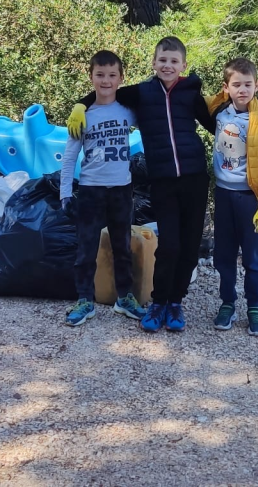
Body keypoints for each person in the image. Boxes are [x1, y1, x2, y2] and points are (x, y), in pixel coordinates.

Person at [68, 36, 214, 333]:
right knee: (169, 245)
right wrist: (79, 105)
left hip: (195, 178)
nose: (168, 65)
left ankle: (176, 302)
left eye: (174, 61)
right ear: (154, 63)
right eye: (162, 60)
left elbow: (216, 124)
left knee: (188, 248)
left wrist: (248, 114)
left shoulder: (191, 92)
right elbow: (107, 92)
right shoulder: (142, 93)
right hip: (161, 180)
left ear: (184, 65)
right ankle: (158, 302)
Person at [60, 50, 146, 326]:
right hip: (90, 191)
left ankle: (124, 297)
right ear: (91, 77)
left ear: (121, 78)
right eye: (100, 75)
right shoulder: (83, 115)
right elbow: (70, 156)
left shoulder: (127, 111)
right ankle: (85, 299)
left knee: (122, 246)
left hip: (121, 190)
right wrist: (64, 193)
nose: (106, 81)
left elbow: (152, 118)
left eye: (112, 75)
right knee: (86, 248)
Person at [206, 57, 258, 336]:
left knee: (252, 257)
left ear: (256, 85)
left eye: (248, 84)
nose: (243, 89)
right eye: (236, 84)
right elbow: (191, 100)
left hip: (250, 198)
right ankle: (228, 303)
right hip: (223, 195)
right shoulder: (218, 110)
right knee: (224, 255)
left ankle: (254, 306)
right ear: (226, 88)